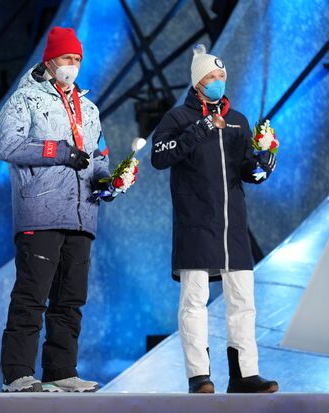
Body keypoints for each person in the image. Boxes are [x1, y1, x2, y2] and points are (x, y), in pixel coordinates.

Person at [0, 26, 123, 393]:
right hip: (41, 209)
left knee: (70, 299)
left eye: (77, 59)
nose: (73, 65)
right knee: (32, 296)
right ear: (50, 60)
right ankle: (18, 373)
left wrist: (107, 181)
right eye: (67, 58)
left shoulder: (89, 108)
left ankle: (61, 370)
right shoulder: (25, 100)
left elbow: (97, 156)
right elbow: (8, 145)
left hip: (82, 214)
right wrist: (57, 151)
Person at [151, 44, 278, 394]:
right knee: (194, 301)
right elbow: (159, 157)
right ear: (197, 83)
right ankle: (199, 376)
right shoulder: (178, 118)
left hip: (232, 225)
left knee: (243, 301)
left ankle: (244, 374)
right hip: (196, 222)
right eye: (211, 77)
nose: (218, 82)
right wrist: (204, 127)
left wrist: (261, 167)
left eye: (222, 76)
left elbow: (244, 169)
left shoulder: (238, 119)